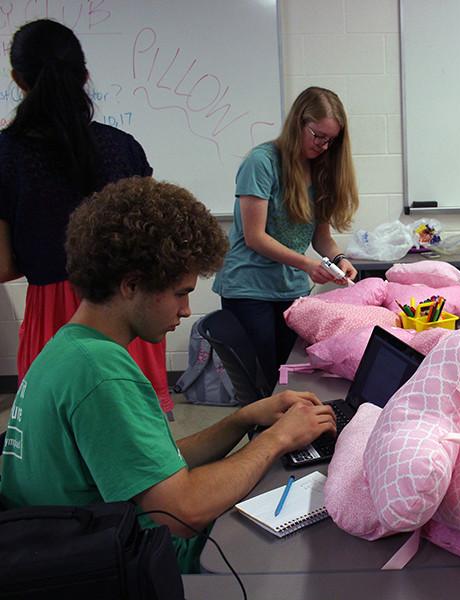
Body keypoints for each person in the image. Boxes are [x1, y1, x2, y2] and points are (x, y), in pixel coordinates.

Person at [0, 177, 338, 572]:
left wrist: (245, 418)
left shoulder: (68, 348)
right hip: (119, 565)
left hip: (56, 548)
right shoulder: (103, 375)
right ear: (131, 285)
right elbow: (182, 510)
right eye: (180, 293)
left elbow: (157, 464)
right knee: (315, 536)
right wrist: (279, 439)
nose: (185, 309)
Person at [0, 19, 174, 416]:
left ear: (18, 79)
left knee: (63, 444)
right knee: (140, 442)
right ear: (84, 76)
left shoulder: (6, 156)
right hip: (131, 309)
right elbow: (155, 241)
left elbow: (4, 263)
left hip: (57, 315)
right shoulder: (123, 148)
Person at [213, 86, 360, 389]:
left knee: (292, 379)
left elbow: (322, 238)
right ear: (298, 123)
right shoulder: (262, 162)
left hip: (290, 290)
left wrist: (339, 259)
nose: (323, 146)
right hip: (249, 290)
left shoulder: (320, 169)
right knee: (266, 384)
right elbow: (255, 237)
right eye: (318, 136)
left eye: (330, 140)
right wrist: (307, 265)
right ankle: (266, 434)